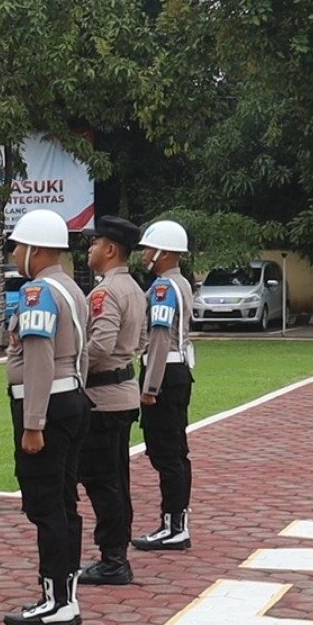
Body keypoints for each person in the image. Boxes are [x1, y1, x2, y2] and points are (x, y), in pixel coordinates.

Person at [1, 208, 91, 625]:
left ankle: (55, 600)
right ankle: (65, 597)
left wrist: (33, 422)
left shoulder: (38, 292)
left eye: (19, 246)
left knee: (46, 504)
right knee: (65, 502)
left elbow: (37, 357)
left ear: (36, 249)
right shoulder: (72, 288)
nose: (16, 253)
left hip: (46, 406)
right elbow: (83, 353)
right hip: (72, 398)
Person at [76, 217, 147, 586]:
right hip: (123, 393)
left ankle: (113, 559)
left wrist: (73, 370)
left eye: (94, 242)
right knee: (116, 478)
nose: (89, 249)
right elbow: (143, 338)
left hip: (102, 398)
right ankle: (116, 553)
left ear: (110, 249)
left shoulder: (105, 292)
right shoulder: (134, 288)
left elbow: (100, 344)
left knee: (102, 481)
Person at [133, 219, 196, 553]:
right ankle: (176, 523)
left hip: (164, 373)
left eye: (148, 248)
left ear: (164, 252)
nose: (144, 254)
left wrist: (150, 386)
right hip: (179, 371)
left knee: (166, 453)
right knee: (176, 452)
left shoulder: (162, 288)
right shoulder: (181, 284)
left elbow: (158, 338)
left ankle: (173, 526)